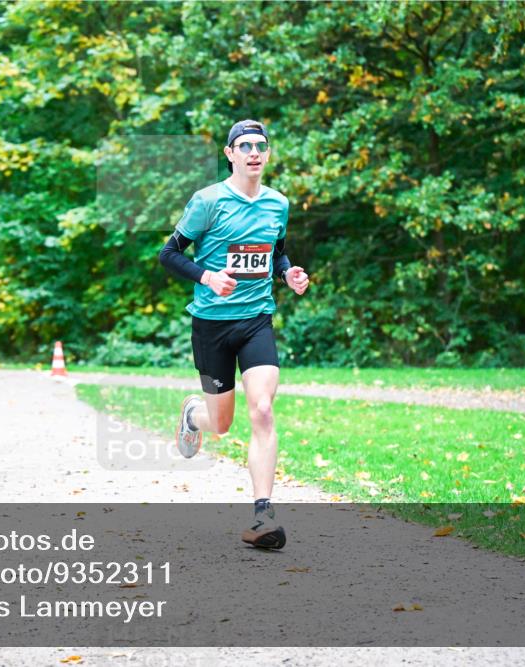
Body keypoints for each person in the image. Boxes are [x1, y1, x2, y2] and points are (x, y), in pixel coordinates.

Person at [158, 119, 310, 549]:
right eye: (244, 146)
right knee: (221, 424)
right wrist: (207, 277)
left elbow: (275, 253)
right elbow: (168, 255)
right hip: (211, 326)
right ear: (230, 154)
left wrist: (288, 273)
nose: (254, 152)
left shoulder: (277, 203)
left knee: (261, 409)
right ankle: (194, 415)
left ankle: (264, 514)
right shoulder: (207, 201)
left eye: (261, 145)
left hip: (256, 320)